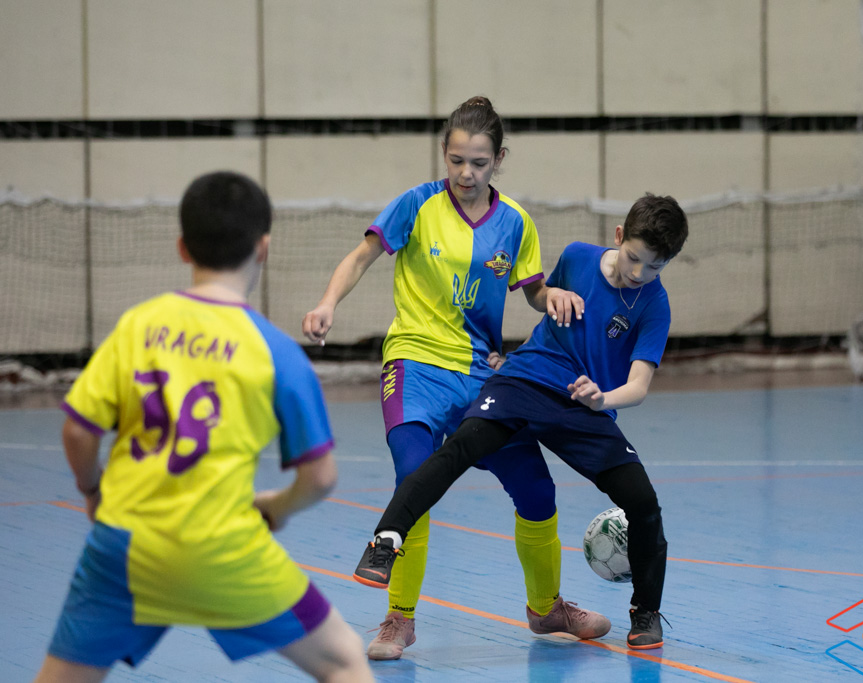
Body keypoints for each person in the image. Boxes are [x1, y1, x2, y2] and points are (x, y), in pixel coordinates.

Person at [34, 171, 373, 683]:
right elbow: (320, 478)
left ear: (182, 247)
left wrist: (92, 490)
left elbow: (79, 432)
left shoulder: (139, 324)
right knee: (344, 659)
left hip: (126, 546)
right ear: (263, 248)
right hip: (224, 549)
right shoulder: (276, 352)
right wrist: (276, 508)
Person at [302, 96, 609, 660]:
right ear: (444, 154)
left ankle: (546, 608)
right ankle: (399, 619)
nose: (466, 173)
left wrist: (553, 296)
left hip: (481, 375)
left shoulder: (515, 222)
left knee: (537, 490)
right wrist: (327, 303)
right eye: (457, 161)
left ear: (499, 161)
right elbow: (361, 257)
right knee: (413, 476)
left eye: (479, 163)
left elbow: (532, 290)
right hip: (415, 364)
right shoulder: (416, 205)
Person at [351, 193, 688, 651]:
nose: (638, 273)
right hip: (526, 380)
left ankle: (645, 612)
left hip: (583, 404)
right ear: (618, 236)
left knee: (643, 501)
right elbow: (546, 305)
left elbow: (639, 385)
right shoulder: (577, 257)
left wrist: (601, 398)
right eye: (633, 258)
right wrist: (524, 334)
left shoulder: (654, 304)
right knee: (461, 447)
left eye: (653, 267)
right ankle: (386, 540)